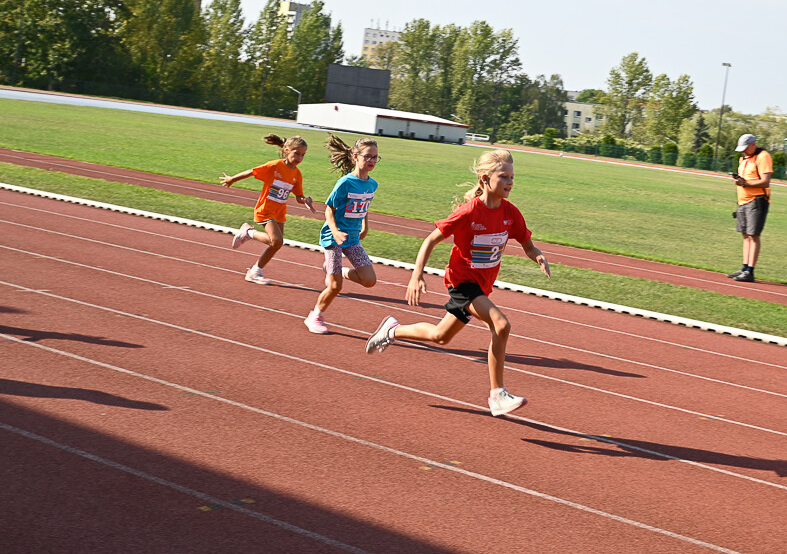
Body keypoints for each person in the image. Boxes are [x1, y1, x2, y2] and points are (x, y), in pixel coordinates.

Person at [364, 148, 550, 417]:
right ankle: (497, 395)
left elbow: (528, 245)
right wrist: (417, 275)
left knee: (441, 336)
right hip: (462, 283)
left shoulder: (511, 214)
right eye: (504, 176)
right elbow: (430, 240)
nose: (510, 182)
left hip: (481, 286)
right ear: (485, 179)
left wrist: (538, 256)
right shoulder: (469, 212)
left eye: (512, 177)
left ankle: (392, 330)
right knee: (501, 324)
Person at [305, 135, 380, 334]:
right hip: (333, 238)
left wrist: (365, 225)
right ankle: (315, 316)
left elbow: (364, 206)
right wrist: (336, 231)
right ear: (356, 157)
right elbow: (329, 208)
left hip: (352, 239)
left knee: (369, 280)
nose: (371, 161)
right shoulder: (345, 183)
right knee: (335, 286)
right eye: (367, 156)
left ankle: (335, 269)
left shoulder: (372, 185)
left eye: (375, 157)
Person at [220, 134, 314, 285]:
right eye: (296, 153)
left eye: (303, 155)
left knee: (276, 244)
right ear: (287, 151)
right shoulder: (275, 166)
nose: (300, 158)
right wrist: (232, 179)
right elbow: (252, 171)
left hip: (279, 212)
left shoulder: (297, 174)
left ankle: (255, 271)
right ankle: (249, 233)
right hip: (265, 209)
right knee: (276, 241)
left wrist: (305, 200)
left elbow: (298, 195)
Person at [726, 133, 772, 283]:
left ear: (753, 144)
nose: (743, 152)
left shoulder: (763, 156)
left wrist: (744, 183)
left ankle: (750, 271)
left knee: (754, 235)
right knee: (745, 234)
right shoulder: (744, 158)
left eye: (746, 148)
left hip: (757, 201)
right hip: (743, 201)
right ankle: (744, 268)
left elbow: (765, 182)